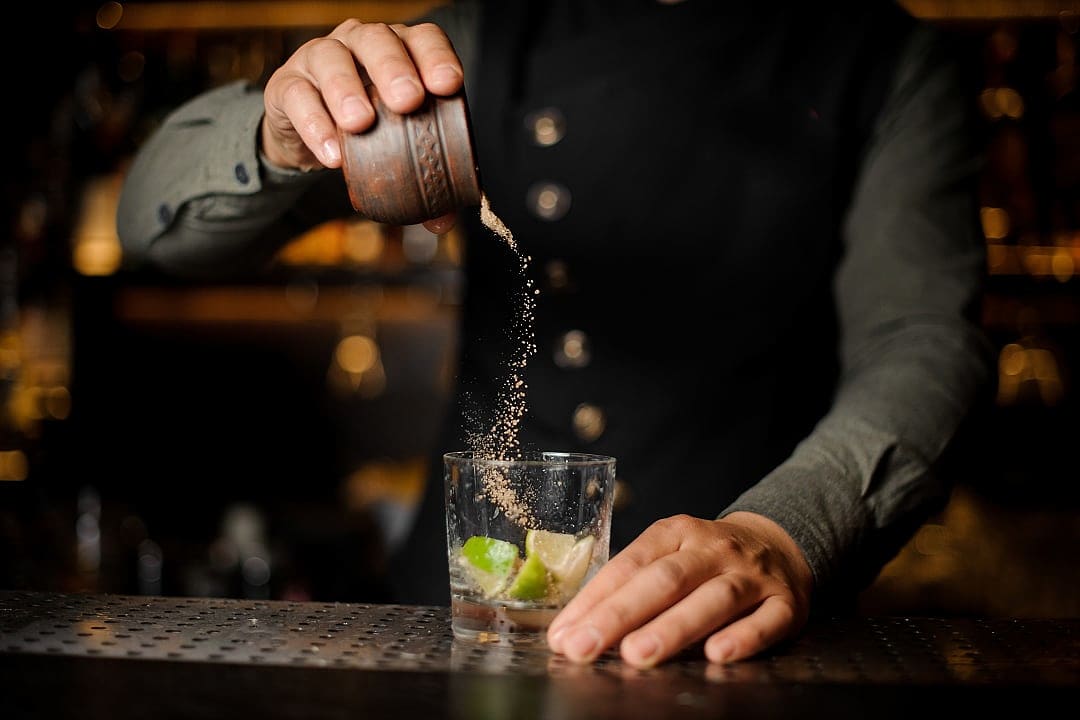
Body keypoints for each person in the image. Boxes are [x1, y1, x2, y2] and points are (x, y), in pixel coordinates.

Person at [116, 0, 994, 669]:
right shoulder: (485, 31)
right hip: (453, 621)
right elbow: (150, 229)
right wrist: (278, 135)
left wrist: (790, 529)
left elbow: (923, 340)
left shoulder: (887, 59)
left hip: (727, 632)